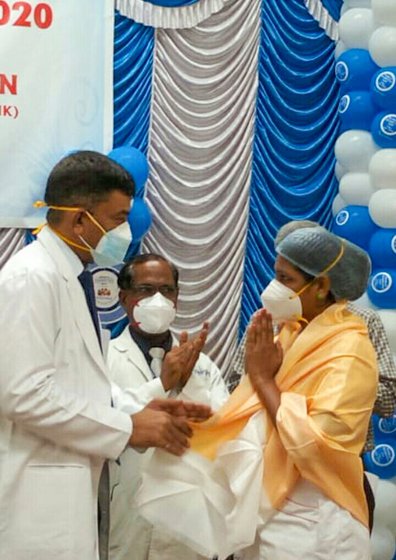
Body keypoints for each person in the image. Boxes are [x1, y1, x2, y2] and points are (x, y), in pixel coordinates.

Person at [0, 151, 211, 560]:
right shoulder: (30, 279)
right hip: (34, 500)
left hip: (72, 490)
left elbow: (85, 386)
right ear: (80, 220)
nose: (125, 232)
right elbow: (21, 392)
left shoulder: (75, 278)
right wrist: (126, 426)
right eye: (117, 219)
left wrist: (149, 408)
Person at [135, 225, 378, 560]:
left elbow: (319, 444)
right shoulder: (289, 335)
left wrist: (264, 380)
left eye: (286, 279)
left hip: (318, 522)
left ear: (321, 286)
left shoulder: (350, 349)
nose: (273, 288)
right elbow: (248, 412)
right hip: (267, 513)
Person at [107, 253, 229, 560]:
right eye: (146, 290)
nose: (158, 299)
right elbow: (104, 419)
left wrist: (188, 384)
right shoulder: (104, 357)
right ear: (124, 298)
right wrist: (162, 383)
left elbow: (225, 430)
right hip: (124, 510)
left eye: (167, 290)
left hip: (187, 520)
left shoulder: (202, 365)